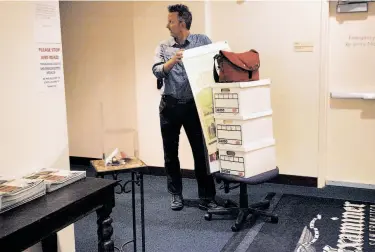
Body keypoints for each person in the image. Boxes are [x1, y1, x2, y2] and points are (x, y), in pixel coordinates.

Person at [152, 4, 221, 211]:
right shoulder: (164, 47)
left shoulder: (202, 41)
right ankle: (175, 194)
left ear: (182, 23)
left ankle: (207, 197)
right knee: (170, 154)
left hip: (194, 106)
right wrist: (173, 60)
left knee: (201, 153)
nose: (167, 25)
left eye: (171, 21)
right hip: (170, 106)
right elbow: (157, 71)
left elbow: (216, 65)